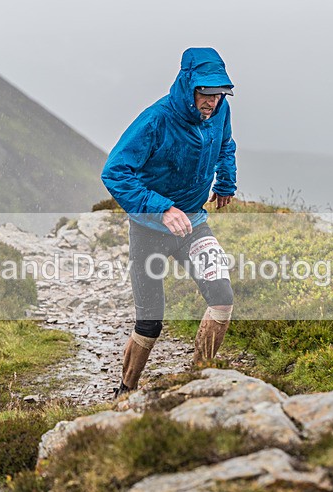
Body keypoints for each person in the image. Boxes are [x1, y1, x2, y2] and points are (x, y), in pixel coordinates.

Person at [101, 47, 237, 398]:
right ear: (188, 85)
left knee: (222, 297)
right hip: (150, 230)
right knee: (150, 322)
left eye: (218, 93)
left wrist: (225, 182)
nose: (212, 102)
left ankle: (200, 378)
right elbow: (115, 172)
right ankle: (125, 390)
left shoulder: (220, 111)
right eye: (205, 93)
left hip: (193, 225)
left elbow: (225, 145)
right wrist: (160, 209)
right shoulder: (156, 119)